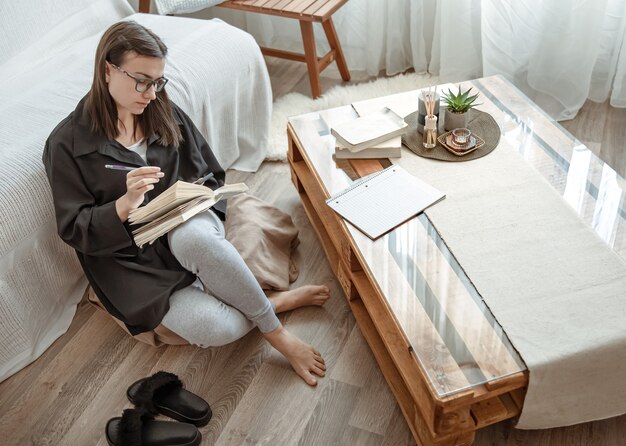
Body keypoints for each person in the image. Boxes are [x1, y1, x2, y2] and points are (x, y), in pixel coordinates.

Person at [43, 21, 330, 386]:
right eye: (142, 80)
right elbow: (75, 229)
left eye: (158, 81)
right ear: (106, 70)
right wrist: (125, 203)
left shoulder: (161, 108)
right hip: (132, 261)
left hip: (188, 226)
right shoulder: (66, 145)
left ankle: (278, 334)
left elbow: (209, 171)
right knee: (217, 328)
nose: (150, 93)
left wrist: (190, 199)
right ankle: (270, 304)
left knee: (192, 239)